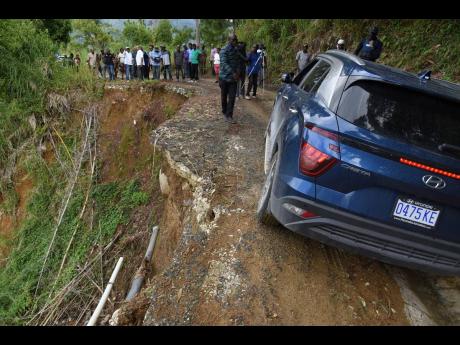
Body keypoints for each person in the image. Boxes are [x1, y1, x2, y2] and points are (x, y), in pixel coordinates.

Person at [219, 33, 240, 124]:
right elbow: (224, 63)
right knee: (224, 97)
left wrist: (238, 72)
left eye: (236, 40)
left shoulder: (236, 50)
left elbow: (238, 61)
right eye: (233, 40)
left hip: (233, 79)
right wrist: (233, 72)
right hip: (224, 78)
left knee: (232, 97)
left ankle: (229, 115)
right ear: (229, 40)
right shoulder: (223, 50)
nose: (235, 41)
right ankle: (224, 110)